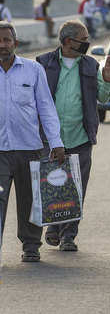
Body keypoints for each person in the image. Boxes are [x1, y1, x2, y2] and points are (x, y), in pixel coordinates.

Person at [37, 21, 110, 251]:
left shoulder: (91, 65)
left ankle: (68, 236)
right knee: (53, 184)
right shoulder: (44, 63)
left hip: (80, 136)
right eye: (84, 38)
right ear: (69, 41)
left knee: (77, 187)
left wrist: (108, 81)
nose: (87, 42)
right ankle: (53, 228)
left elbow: (103, 97)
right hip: (50, 137)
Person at [0, 22, 65, 263]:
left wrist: (56, 142)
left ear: (15, 44)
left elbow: (46, 108)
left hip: (29, 147)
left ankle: (31, 245)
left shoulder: (33, 70)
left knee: (30, 200)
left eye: (7, 40)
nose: (2, 45)